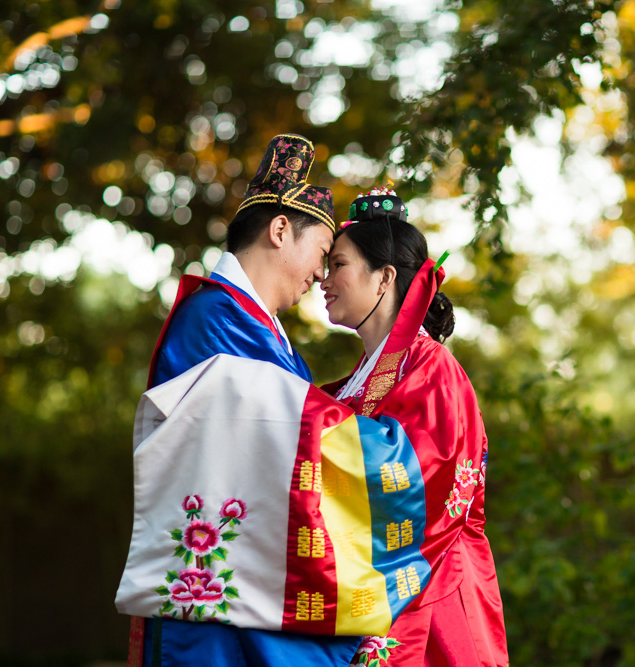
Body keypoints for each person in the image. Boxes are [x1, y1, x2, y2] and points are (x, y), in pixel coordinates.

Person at [125, 133, 362, 667]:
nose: (321, 275)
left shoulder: (254, 326)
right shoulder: (216, 320)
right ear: (281, 230)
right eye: (322, 254)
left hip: (248, 583)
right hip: (219, 596)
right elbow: (282, 431)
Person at [320, 188, 509, 667]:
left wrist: (305, 429)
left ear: (384, 278)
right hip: (385, 593)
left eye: (338, 264)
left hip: (434, 600)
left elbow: (421, 480)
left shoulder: (435, 368)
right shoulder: (358, 380)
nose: (323, 280)